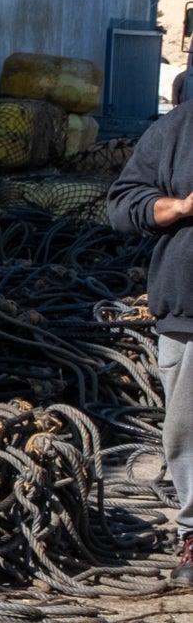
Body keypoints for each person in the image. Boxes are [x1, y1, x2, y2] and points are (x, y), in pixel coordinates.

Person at [108, 96, 193, 586]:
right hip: (188, 309)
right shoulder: (178, 128)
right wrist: (179, 206)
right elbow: (123, 204)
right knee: (188, 431)